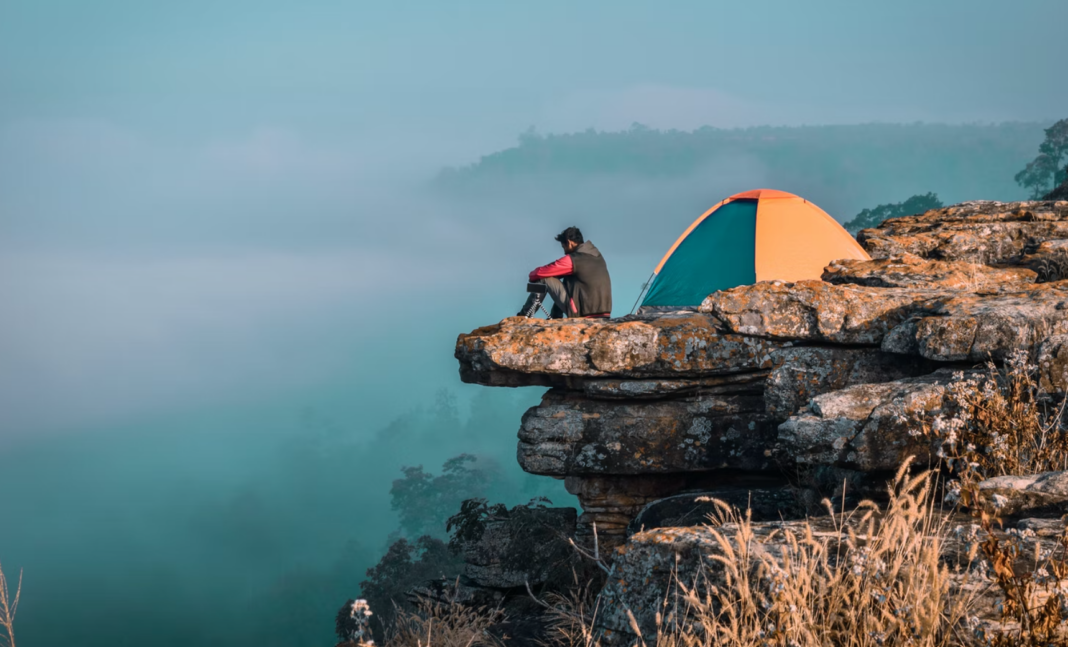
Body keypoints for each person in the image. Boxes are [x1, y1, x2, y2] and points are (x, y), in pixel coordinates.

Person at [518, 227, 612, 318]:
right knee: (568, 279)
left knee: (545, 279)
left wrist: (531, 275)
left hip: (583, 312)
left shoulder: (574, 259)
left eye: (563, 247)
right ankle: (556, 317)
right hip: (604, 313)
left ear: (569, 243)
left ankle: (524, 316)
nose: (564, 252)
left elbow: (542, 273)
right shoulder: (597, 257)